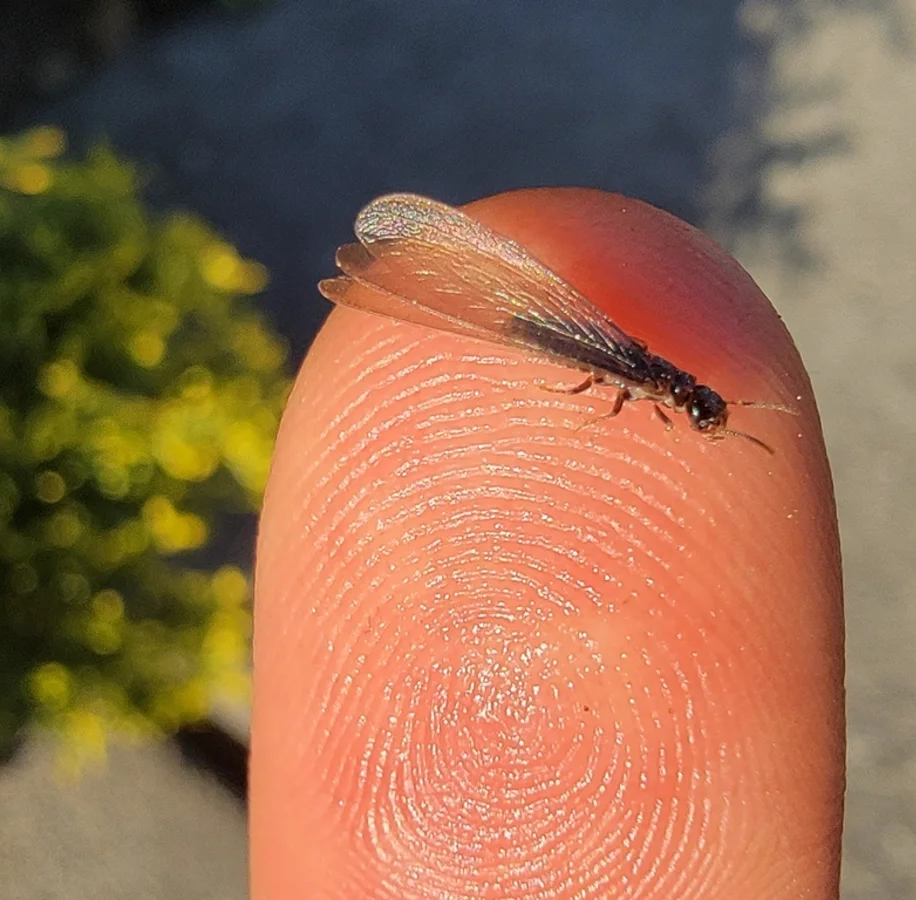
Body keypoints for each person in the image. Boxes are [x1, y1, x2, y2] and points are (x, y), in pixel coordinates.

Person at [249, 188, 845, 899]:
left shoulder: (654, 377)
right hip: (557, 332)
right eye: (701, 410)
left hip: (574, 336)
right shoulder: (650, 386)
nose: (701, 410)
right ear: (683, 399)